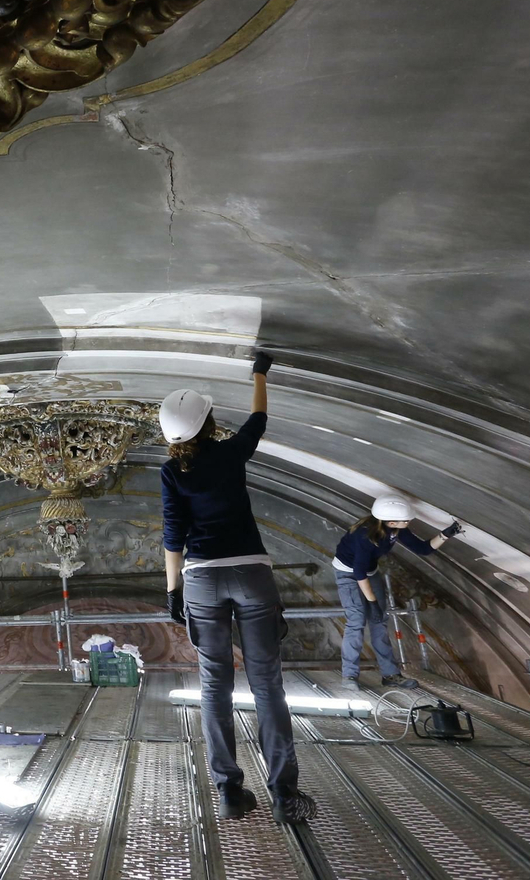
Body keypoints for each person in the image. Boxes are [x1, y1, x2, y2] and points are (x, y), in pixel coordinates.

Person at [162, 351, 317, 825]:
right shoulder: (230, 453)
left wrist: (173, 593)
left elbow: (173, 535)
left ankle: (230, 791)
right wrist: (260, 372)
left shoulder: (171, 472)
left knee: (214, 687)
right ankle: (285, 795)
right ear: (209, 423)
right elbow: (259, 418)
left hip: (201, 581)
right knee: (268, 684)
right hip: (251, 574)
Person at [335, 495, 463, 688]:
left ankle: (390, 675)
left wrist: (446, 534)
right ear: (392, 521)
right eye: (406, 520)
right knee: (356, 622)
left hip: (369, 573)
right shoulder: (365, 536)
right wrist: (372, 603)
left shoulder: (394, 528)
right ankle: (349, 676)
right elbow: (358, 572)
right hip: (349, 575)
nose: (409, 521)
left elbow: (423, 548)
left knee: (379, 623)